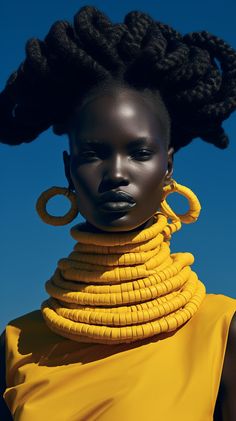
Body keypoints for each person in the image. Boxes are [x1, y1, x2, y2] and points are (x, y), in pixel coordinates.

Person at [0, 5, 236, 420]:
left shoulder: (222, 331)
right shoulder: (15, 342)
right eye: (93, 154)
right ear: (67, 170)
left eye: (140, 153)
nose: (116, 174)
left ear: (168, 167)